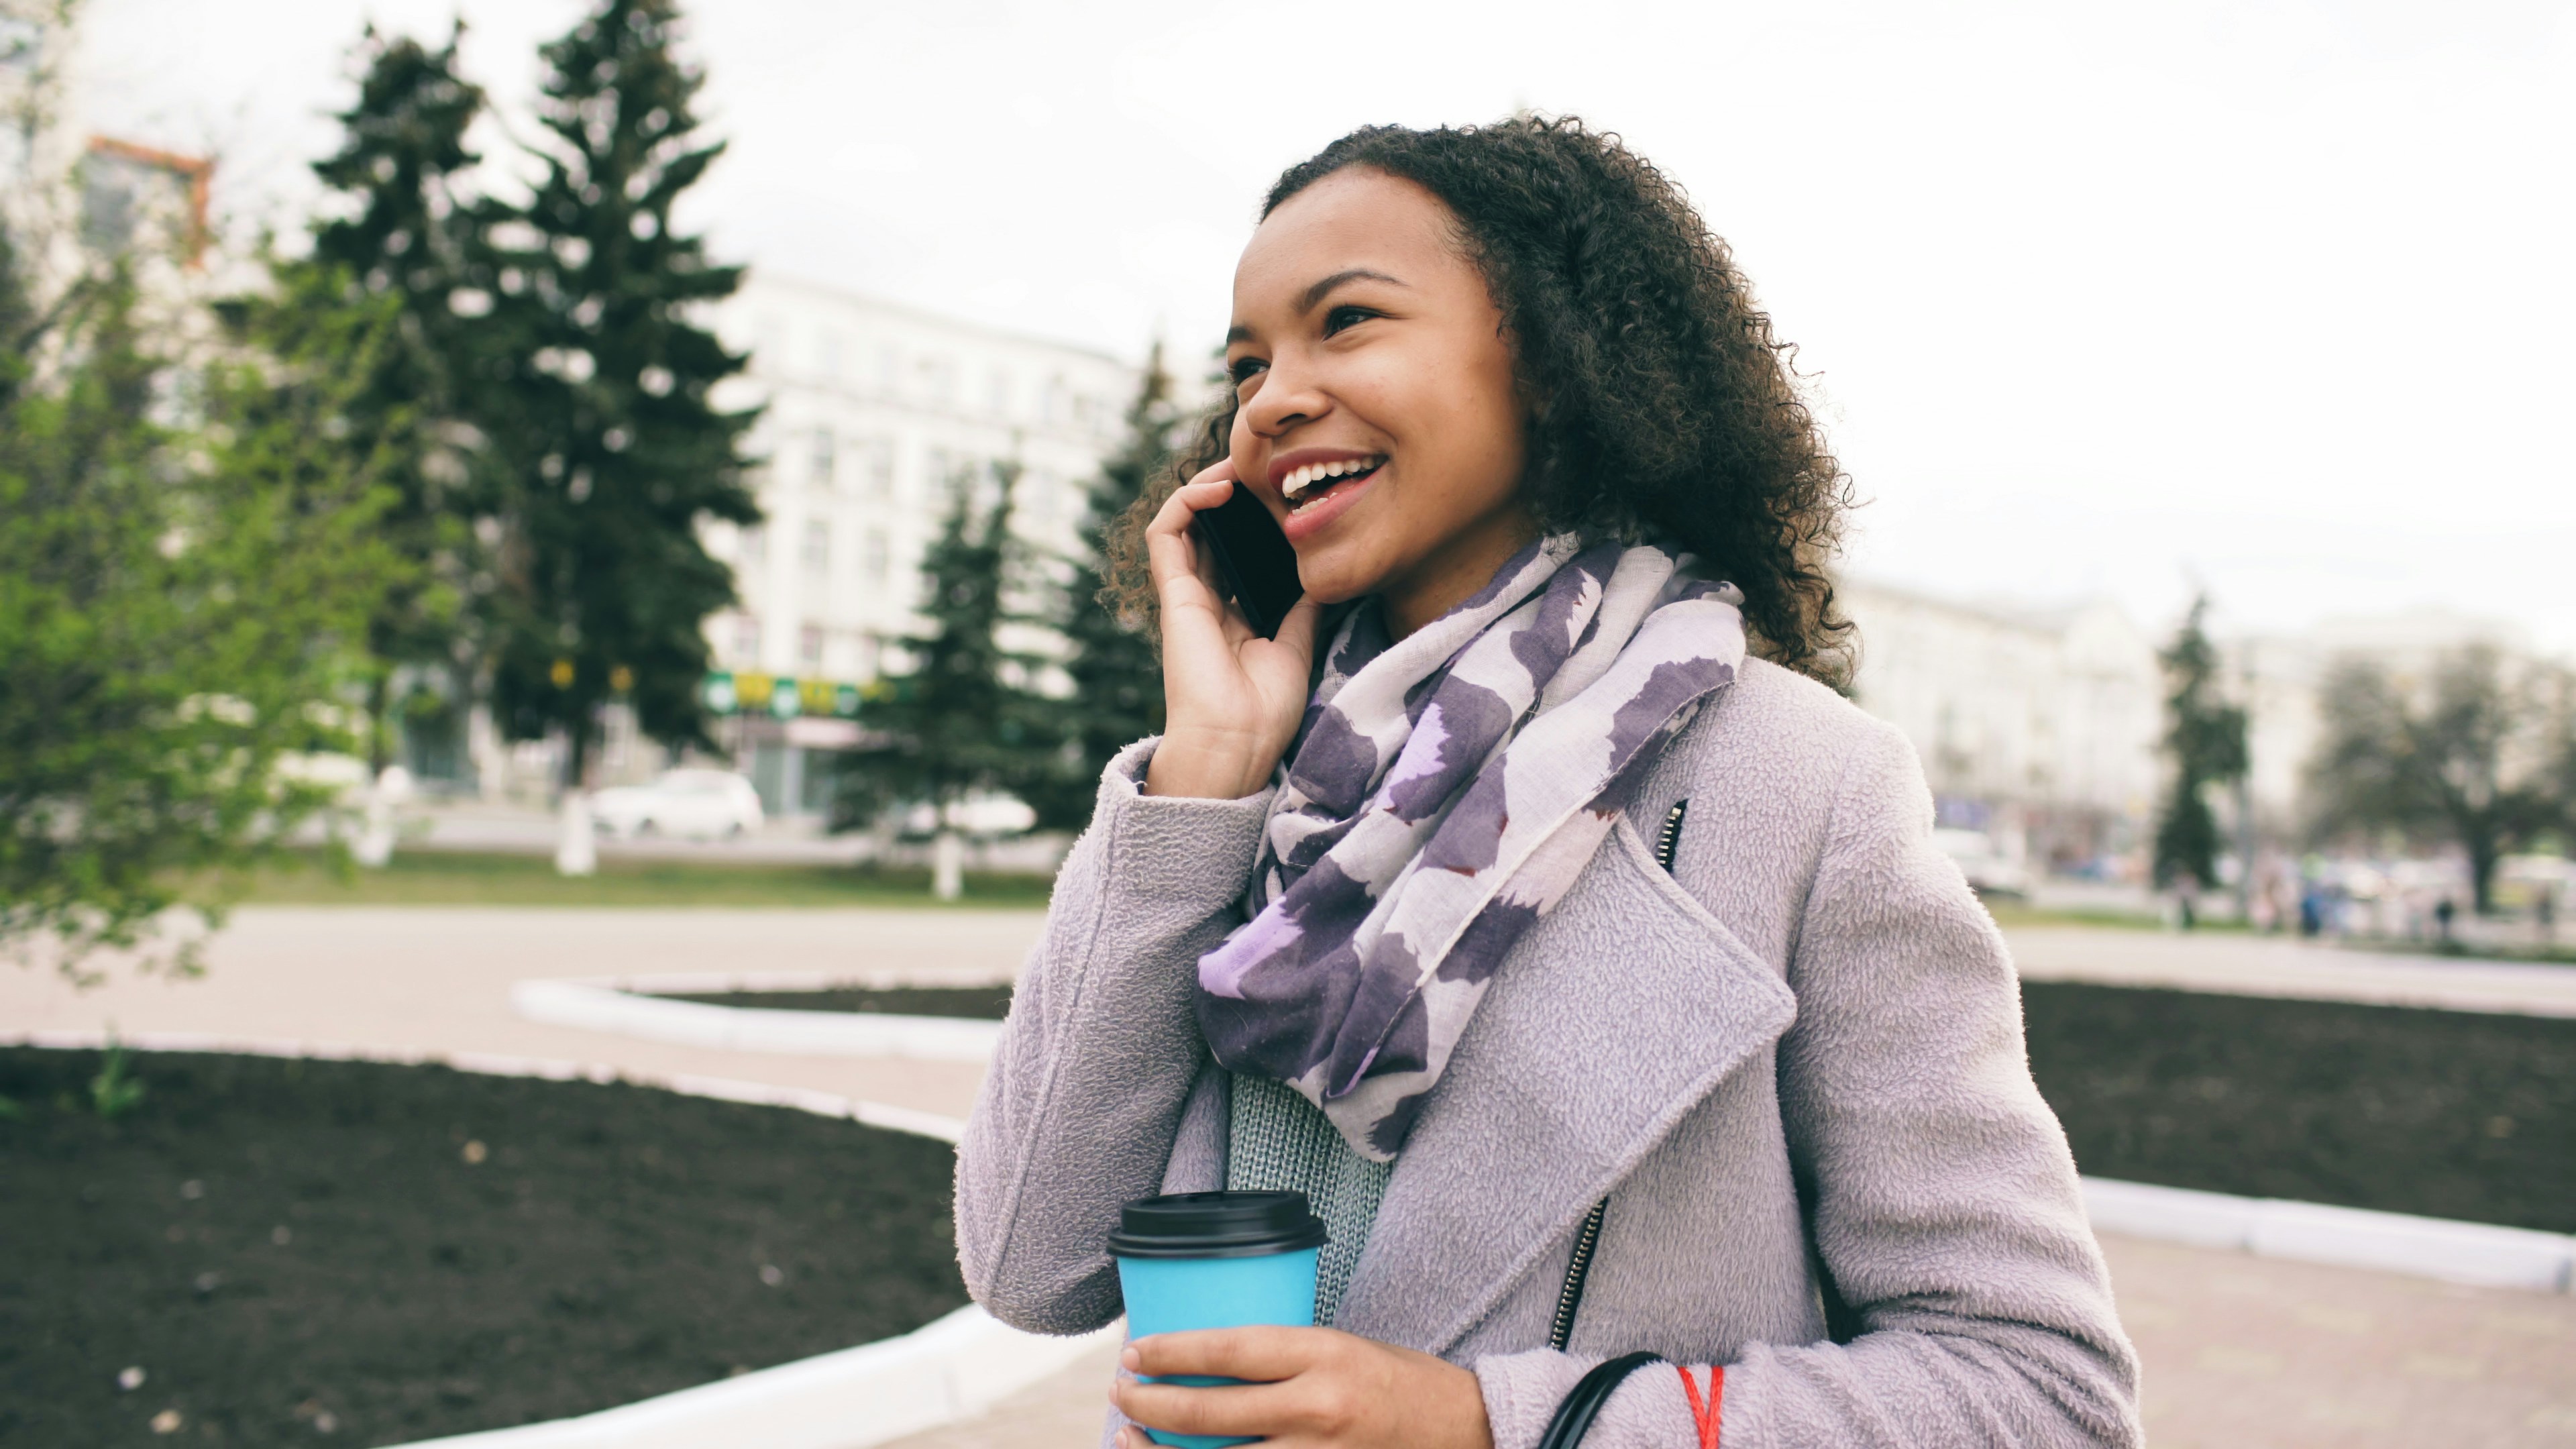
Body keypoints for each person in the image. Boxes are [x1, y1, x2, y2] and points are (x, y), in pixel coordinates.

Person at [956, 117, 2139, 1449]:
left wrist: (1487, 1424)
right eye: (1248, 362)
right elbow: (1029, 1268)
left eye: (1345, 322)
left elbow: (2036, 1394)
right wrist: (1202, 780)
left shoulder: (1798, 788)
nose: (1271, 398)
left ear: (1559, 361)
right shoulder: (1255, 781)